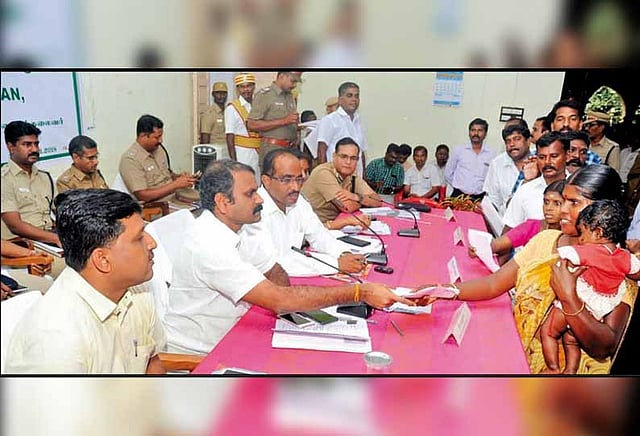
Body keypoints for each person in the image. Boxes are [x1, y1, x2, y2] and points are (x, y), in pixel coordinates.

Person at [162, 160, 413, 354]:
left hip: (236, 330)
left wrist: (293, 308)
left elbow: (273, 270)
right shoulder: (208, 244)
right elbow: (279, 299)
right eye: (251, 193)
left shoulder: (240, 228)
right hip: (206, 350)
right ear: (223, 202)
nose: (260, 199)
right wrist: (359, 292)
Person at [421, 165, 637, 374]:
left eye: (574, 203)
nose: (563, 209)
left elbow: (602, 348)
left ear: (603, 210)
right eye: (563, 200)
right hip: (519, 356)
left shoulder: (617, 268)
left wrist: (569, 297)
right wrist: (443, 290)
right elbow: (493, 283)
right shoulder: (546, 240)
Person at [5, 189, 166, 374]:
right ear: (103, 260)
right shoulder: (56, 340)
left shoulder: (137, 291)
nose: (152, 243)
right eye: (139, 238)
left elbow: (152, 362)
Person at [541, 200, 639, 374]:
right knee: (571, 339)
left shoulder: (588, 251)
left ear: (598, 233)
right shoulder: (624, 257)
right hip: (601, 310)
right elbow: (637, 272)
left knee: (548, 332)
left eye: (582, 233)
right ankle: (570, 370)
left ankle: (553, 368)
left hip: (579, 298)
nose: (580, 240)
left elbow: (563, 255)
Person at [243, 149, 367, 275]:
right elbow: (273, 263)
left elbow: (319, 235)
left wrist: (343, 254)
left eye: (299, 179)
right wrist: (336, 264)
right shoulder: (252, 212)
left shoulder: (298, 201)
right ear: (266, 181)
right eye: (287, 180)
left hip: (295, 273)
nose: (296, 187)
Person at [469, 180, 565, 266]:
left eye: (557, 203)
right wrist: (480, 249)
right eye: (546, 202)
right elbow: (497, 245)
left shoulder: (570, 236)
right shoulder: (532, 226)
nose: (549, 208)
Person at [1, 121, 59, 247]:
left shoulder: (45, 177)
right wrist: (55, 239)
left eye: (36, 144)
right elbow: (15, 226)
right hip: (21, 245)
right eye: (27, 144)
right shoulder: (4, 180)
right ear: (11, 147)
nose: (34, 149)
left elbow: (60, 212)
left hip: (49, 239)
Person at [119, 114, 198, 204]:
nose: (161, 141)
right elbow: (142, 196)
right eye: (157, 137)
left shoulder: (158, 149)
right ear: (143, 136)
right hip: (157, 205)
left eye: (161, 136)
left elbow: (166, 174)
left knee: (204, 199)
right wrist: (175, 185)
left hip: (174, 195)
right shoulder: (130, 160)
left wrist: (179, 178)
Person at [301, 137, 381, 223]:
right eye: (343, 156)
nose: (348, 162)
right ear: (334, 156)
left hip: (340, 223)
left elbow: (377, 200)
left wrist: (356, 197)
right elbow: (347, 207)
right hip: (318, 225)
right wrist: (364, 201)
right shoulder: (323, 173)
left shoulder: (352, 175)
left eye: (353, 158)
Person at [502, 131, 568, 231]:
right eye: (542, 157)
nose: (547, 162)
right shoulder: (525, 190)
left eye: (554, 156)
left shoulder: (577, 188)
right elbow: (509, 230)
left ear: (567, 155)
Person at [247, 72, 302, 170]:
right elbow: (252, 124)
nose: (294, 85)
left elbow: (288, 121)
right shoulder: (265, 95)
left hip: (290, 149)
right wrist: (284, 121)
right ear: (281, 76)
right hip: (272, 149)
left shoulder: (290, 96)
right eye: (292, 81)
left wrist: (297, 126)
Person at [483, 121, 538, 216]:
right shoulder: (497, 164)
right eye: (508, 141)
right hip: (504, 220)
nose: (512, 144)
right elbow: (493, 200)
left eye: (517, 139)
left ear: (528, 141)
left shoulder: (539, 160)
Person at [315, 81, 369, 175]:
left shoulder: (358, 121)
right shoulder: (330, 120)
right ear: (340, 100)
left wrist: (363, 174)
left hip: (356, 177)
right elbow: (321, 150)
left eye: (356, 96)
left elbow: (361, 151)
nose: (354, 99)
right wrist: (324, 175)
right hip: (335, 176)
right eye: (349, 96)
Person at [445, 118, 495, 201]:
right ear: (469, 133)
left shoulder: (492, 154)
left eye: (480, 130)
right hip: (458, 196)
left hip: (479, 198)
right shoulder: (459, 150)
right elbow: (448, 173)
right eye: (473, 130)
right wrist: (459, 185)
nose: (476, 133)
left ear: (485, 134)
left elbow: (492, 177)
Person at [224, 73, 261, 182]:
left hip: (258, 153)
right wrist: (234, 163)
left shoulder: (258, 106)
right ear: (237, 89)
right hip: (242, 154)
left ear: (254, 87)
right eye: (242, 87)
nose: (246, 90)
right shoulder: (232, 109)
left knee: (257, 182)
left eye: (249, 86)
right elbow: (229, 136)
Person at [547, 98, 602, 166]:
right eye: (560, 119)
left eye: (573, 119)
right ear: (552, 125)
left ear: (580, 124)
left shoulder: (592, 159)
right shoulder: (538, 154)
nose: (566, 124)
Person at [583, 86, 624, 171]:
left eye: (592, 125)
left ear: (601, 127)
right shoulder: (583, 143)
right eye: (586, 125)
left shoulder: (612, 147)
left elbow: (613, 173)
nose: (587, 128)